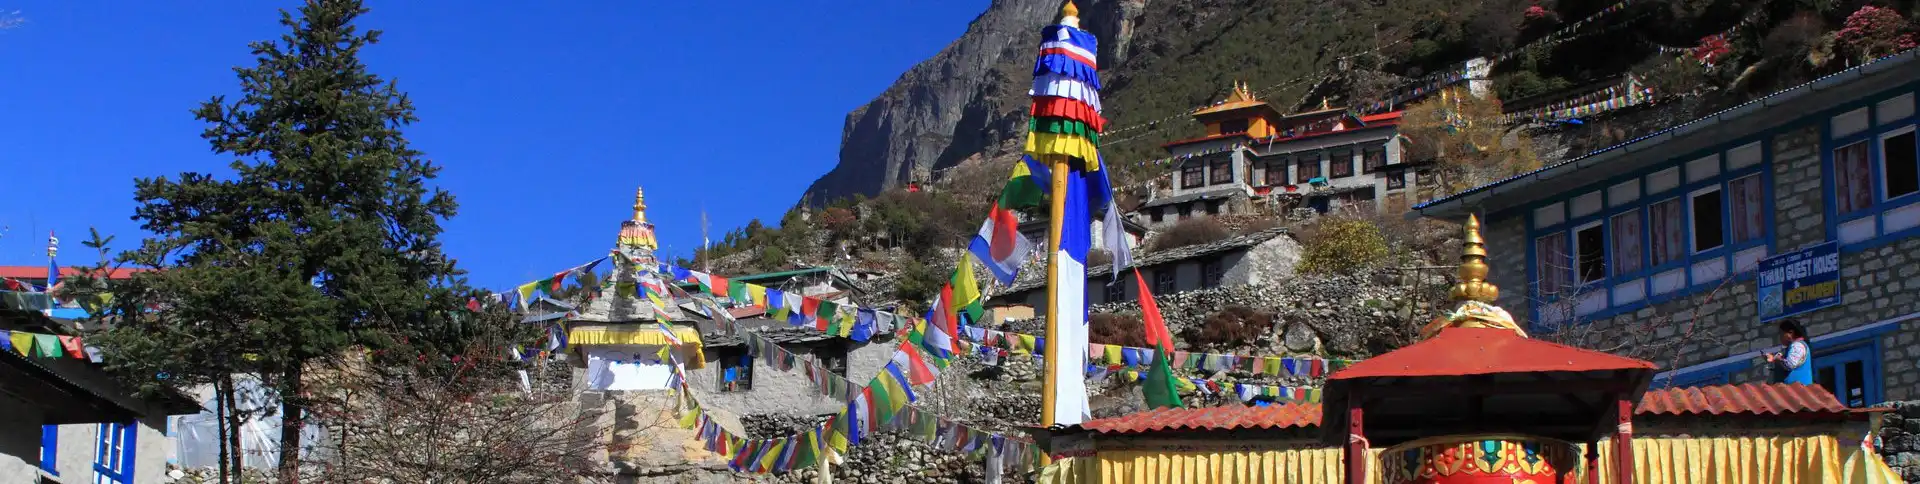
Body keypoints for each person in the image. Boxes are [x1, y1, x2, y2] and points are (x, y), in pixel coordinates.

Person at [1765, 319, 1813, 385]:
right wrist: (1773, 359)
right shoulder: (1791, 348)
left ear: (1790, 333)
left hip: (1800, 389)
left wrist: (1778, 359)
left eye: (1781, 334)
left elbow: (1790, 364)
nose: (1780, 337)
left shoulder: (1798, 346)